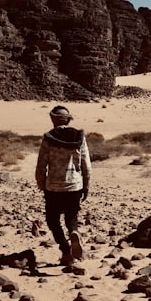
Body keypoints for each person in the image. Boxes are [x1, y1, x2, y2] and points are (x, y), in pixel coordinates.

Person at [35, 105, 91, 268]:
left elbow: (41, 164)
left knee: (52, 220)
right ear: (68, 119)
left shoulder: (49, 137)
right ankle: (74, 232)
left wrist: (41, 183)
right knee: (71, 216)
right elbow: (86, 163)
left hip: (53, 186)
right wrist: (86, 185)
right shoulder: (79, 137)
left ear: (53, 119)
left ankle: (66, 251)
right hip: (74, 184)